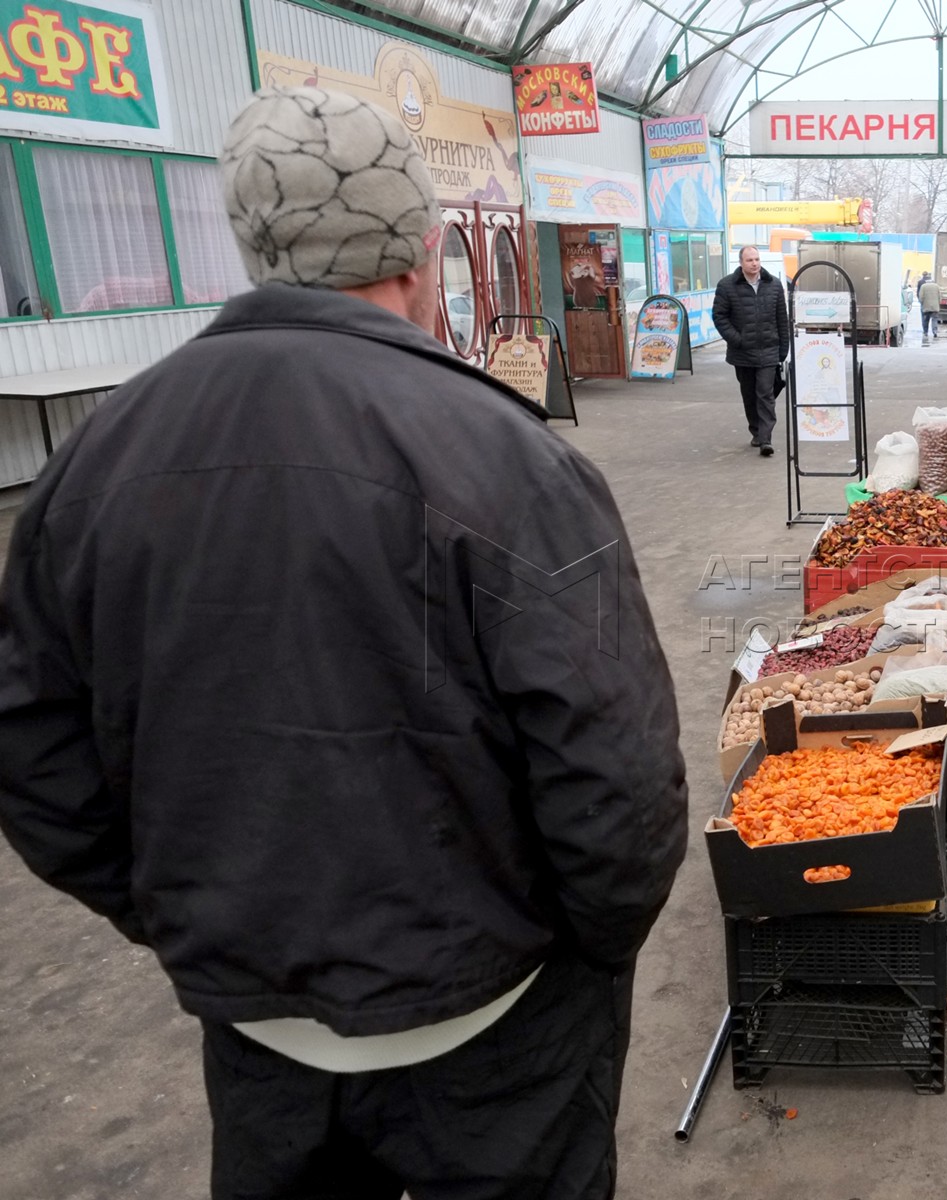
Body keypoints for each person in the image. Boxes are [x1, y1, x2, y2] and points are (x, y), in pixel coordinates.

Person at [0, 87, 688, 1200]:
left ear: (252, 248)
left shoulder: (97, 458)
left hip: (259, 1019)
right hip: (496, 1021)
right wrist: (588, 951)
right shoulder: (507, 458)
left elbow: (33, 747)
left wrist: (181, 912)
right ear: (422, 257)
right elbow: (614, 772)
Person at [712, 245, 790, 456]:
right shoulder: (727, 286)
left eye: (756, 259)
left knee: (765, 393)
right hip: (742, 352)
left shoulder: (773, 285)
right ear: (741, 263)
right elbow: (719, 317)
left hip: (768, 349)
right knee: (749, 393)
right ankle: (756, 430)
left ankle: (766, 439)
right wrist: (738, 339)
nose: (754, 263)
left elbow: (781, 318)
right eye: (750, 260)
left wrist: (784, 347)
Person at [918, 272, 941, 345]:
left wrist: (922, 303)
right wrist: (938, 303)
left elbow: (921, 297)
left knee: (925, 320)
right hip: (935, 307)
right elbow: (939, 296)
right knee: (934, 320)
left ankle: (925, 332)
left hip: (926, 306)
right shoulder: (936, 286)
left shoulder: (923, 286)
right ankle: (935, 332)